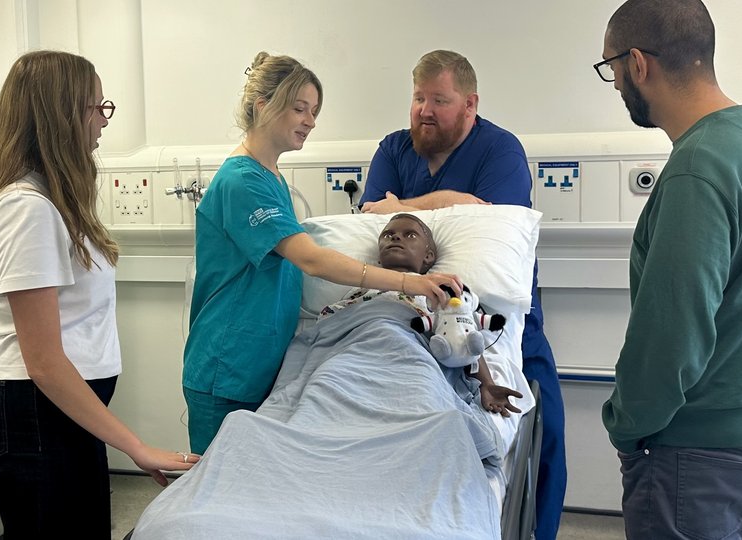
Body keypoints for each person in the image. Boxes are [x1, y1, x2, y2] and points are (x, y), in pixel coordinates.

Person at [596, 2, 742, 538]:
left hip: (698, 462)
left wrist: (625, 428)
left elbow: (670, 340)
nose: (613, 84)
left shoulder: (697, 169)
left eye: (610, 68)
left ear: (637, 64)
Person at [0, 51, 198, 538]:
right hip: (30, 413)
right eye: (96, 107)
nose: (103, 123)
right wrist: (136, 445)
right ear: (60, 114)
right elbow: (43, 361)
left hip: (56, 412)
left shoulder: (50, 199)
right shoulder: (25, 207)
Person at [183, 52, 462, 455]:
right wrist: (409, 283)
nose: (311, 121)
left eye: (314, 111)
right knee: (218, 486)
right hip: (227, 365)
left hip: (261, 362)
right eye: (300, 109)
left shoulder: (271, 176)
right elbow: (311, 259)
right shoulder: (242, 182)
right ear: (263, 106)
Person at [359, 49, 567, 539]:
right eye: (417, 98)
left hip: (493, 321)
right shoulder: (393, 149)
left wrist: (401, 205)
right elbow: (371, 215)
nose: (424, 111)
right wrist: (448, 202)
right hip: (402, 314)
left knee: (545, 431)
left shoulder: (500, 151)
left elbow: (496, 222)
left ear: (470, 104)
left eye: (439, 100)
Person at [319, 213, 524, 417]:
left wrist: (487, 384)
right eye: (388, 235)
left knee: (423, 404)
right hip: (352, 361)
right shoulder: (359, 290)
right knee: (324, 392)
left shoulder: (439, 293)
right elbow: (329, 329)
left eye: (410, 235)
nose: (396, 238)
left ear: (428, 256)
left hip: (410, 363)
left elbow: (461, 336)